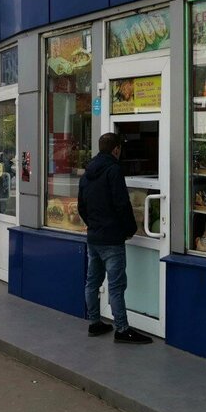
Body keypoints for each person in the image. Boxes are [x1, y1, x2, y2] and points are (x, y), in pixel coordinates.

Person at [77, 132, 152, 344]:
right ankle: (122, 329)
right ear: (116, 149)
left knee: (92, 282)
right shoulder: (114, 170)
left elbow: (81, 205)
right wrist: (129, 229)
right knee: (117, 286)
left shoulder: (87, 172)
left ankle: (94, 323)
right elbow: (122, 203)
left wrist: (92, 224)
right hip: (112, 239)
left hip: (94, 237)